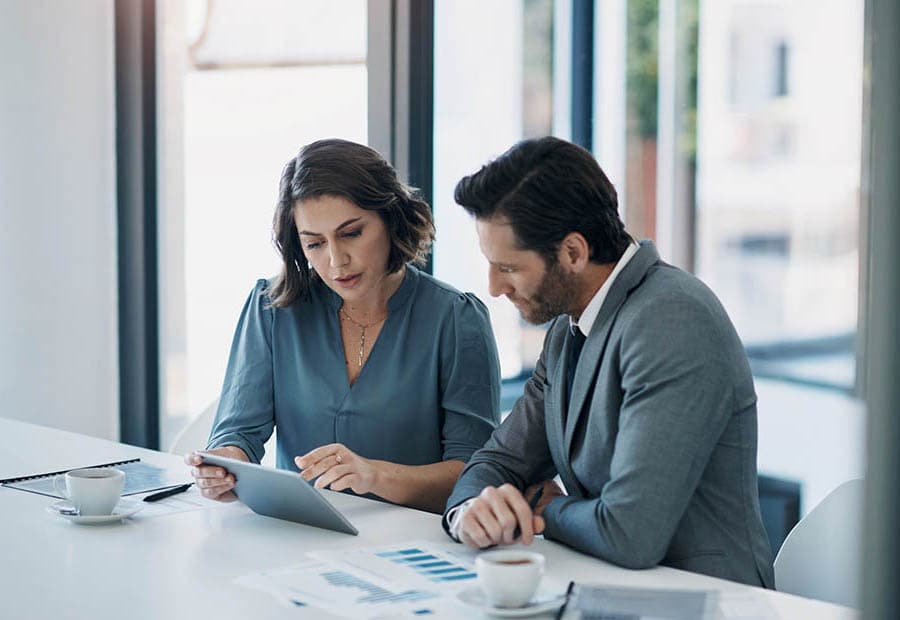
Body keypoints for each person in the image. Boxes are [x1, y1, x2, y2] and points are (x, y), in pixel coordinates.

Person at [442, 136, 774, 587]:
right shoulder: (568, 328)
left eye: (509, 268)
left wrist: (543, 508)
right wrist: (472, 511)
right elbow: (499, 459)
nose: (494, 287)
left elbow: (629, 532)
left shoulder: (673, 319)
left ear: (574, 252)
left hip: (704, 599)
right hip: (606, 590)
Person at [185, 139, 501, 514]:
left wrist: (375, 475)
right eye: (315, 243)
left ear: (390, 219)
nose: (337, 261)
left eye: (351, 233)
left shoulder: (456, 319)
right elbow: (238, 433)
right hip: (301, 533)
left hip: (414, 543)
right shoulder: (273, 309)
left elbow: (476, 476)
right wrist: (224, 465)